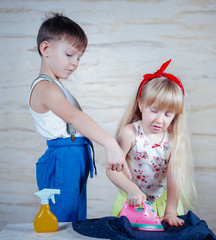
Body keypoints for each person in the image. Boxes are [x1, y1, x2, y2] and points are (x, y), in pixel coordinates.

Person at [28, 12, 130, 222]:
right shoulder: (44, 87)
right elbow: (75, 117)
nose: (75, 63)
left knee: (76, 220)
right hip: (63, 157)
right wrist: (109, 143)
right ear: (45, 48)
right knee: (62, 220)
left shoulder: (57, 87)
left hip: (74, 155)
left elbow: (78, 120)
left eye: (78, 58)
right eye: (69, 54)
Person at [106, 59, 197, 227]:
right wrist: (132, 190)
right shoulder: (130, 133)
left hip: (164, 202)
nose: (160, 120)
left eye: (168, 114)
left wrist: (170, 212)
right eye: (154, 110)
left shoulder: (173, 140)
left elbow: (173, 178)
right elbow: (112, 170)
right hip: (132, 201)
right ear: (141, 105)